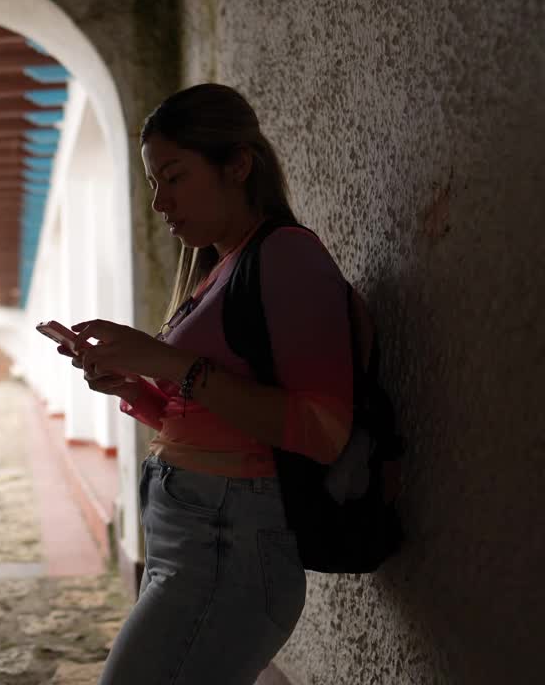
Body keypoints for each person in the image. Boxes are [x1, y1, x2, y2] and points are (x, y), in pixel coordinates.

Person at [58, 83, 354, 684]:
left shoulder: (288, 256)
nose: (160, 203)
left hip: (231, 550)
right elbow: (202, 412)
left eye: (174, 177)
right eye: (152, 185)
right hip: (194, 543)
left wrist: (166, 364)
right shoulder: (221, 268)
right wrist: (135, 388)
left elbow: (323, 432)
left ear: (237, 165)